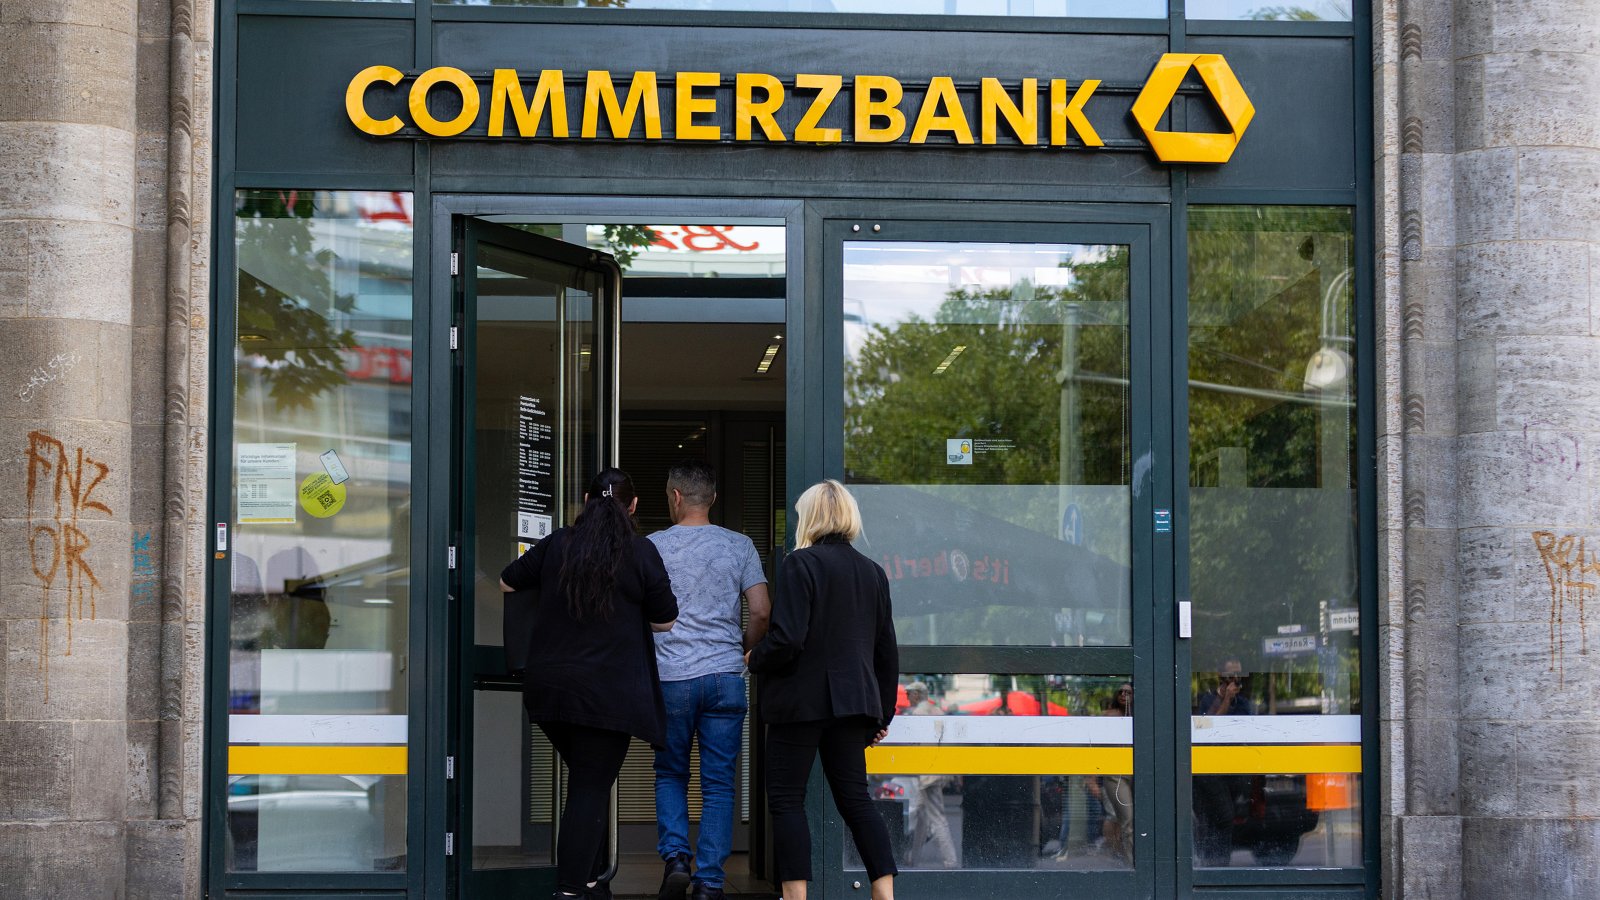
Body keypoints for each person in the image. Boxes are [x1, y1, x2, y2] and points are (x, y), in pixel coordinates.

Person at [500, 468, 679, 900]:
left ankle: (593, 880)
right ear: (632, 506)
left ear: (585, 500)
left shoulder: (559, 543)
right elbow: (665, 620)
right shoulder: (640, 552)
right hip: (608, 695)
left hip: (550, 688)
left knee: (588, 779)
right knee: (590, 785)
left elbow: (507, 581)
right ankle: (570, 890)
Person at [746, 480, 899, 900]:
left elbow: (788, 639)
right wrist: (881, 714)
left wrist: (754, 658)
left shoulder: (801, 564)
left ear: (810, 518)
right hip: (853, 706)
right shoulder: (873, 572)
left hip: (799, 705)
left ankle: (796, 897)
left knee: (786, 800)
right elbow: (886, 650)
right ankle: (884, 893)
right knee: (856, 800)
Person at [647, 460, 772, 900]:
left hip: (671, 678)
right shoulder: (740, 545)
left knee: (670, 773)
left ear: (675, 496)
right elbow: (761, 610)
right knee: (719, 783)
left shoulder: (652, 546)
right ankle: (710, 883)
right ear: (713, 498)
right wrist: (742, 649)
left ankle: (676, 858)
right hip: (724, 677)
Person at [1192, 658, 1254, 867]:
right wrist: (1226, 699)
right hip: (1209, 771)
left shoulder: (1242, 703)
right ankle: (1217, 862)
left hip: (1233, 770)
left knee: (1220, 817)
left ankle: (1216, 862)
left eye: (1238, 674)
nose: (1235, 678)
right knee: (1224, 815)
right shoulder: (1208, 699)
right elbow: (1206, 729)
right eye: (1230, 674)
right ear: (1221, 676)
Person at [901, 682, 957, 869]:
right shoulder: (938, 712)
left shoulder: (918, 714)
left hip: (927, 774)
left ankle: (950, 862)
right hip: (937, 771)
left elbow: (914, 745)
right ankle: (913, 857)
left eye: (909, 694)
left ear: (917, 695)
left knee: (936, 817)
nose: (907, 698)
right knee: (920, 816)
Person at [1087, 682, 1134, 865]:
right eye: (1120, 692)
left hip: (1140, 773)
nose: (1123, 695)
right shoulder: (1109, 716)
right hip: (1116, 774)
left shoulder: (1143, 715)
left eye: (1128, 692)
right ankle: (1129, 862)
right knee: (1123, 818)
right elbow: (1096, 748)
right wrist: (1091, 778)